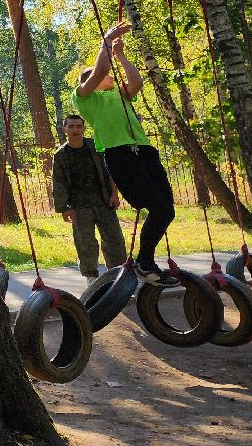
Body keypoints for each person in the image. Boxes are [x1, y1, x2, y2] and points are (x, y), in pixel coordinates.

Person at [73, 22, 175, 284]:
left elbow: (136, 81)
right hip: (120, 155)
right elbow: (101, 69)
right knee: (156, 205)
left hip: (144, 152)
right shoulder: (85, 99)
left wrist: (120, 54)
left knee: (166, 211)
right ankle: (145, 262)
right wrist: (107, 41)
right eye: (97, 76)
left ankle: (145, 260)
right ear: (91, 82)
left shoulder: (120, 94)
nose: (108, 76)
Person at [52, 114, 127, 281]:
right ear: (65, 129)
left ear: (84, 128)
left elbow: (110, 171)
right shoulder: (61, 155)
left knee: (114, 239)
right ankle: (91, 277)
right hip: (79, 206)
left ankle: (118, 274)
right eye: (71, 126)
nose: (75, 130)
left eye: (79, 126)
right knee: (85, 243)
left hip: (104, 201)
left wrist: (114, 194)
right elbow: (59, 183)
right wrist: (64, 208)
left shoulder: (96, 147)